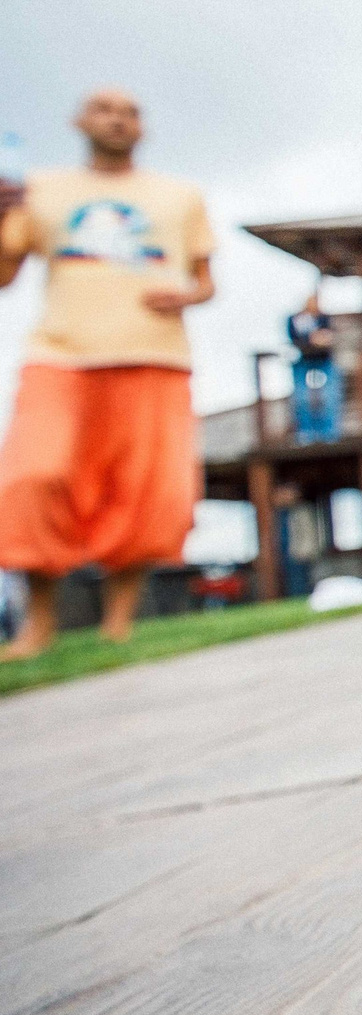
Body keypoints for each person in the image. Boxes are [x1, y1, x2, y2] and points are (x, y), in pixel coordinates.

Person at [0, 89, 216, 657]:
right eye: (104, 109)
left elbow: (205, 282)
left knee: (146, 491)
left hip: (155, 355)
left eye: (130, 112)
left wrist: (187, 297)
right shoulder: (36, 189)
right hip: (60, 354)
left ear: (142, 128)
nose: (118, 120)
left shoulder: (179, 196)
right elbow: (5, 275)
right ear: (78, 121)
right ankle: (37, 626)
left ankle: (117, 626)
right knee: (33, 476)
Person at [286, 290, 340, 443]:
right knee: (302, 398)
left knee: (328, 397)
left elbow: (330, 336)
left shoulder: (324, 318)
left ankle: (329, 433)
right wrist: (311, 339)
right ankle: (306, 432)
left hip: (324, 360)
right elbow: (294, 338)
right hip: (304, 360)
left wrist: (323, 338)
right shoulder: (295, 319)